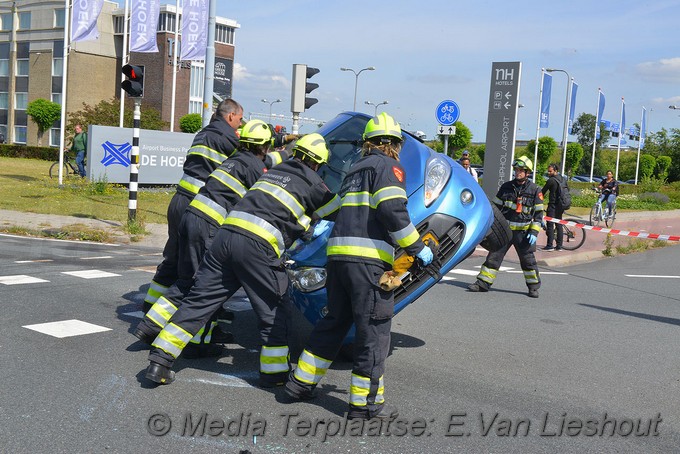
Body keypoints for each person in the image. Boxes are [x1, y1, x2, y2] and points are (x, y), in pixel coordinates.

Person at [144, 133, 341, 387]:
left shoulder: (273, 172)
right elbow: (337, 213)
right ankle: (275, 373)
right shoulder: (316, 184)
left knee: (199, 301)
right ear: (317, 164)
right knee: (274, 308)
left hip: (224, 239)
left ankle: (159, 361)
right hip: (257, 248)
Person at [285, 113, 434, 420]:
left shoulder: (355, 171)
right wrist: (417, 249)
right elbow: (393, 211)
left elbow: (334, 210)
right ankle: (364, 405)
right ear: (394, 144)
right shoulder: (389, 167)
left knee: (335, 322)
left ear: (367, 143)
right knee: (373, 332)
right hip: (367, 264)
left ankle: (299, 384)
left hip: (338, 261)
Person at [134, 119, 276, 357]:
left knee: (188, 279)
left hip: (192, 216)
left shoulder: (232, 161)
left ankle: (151, 325)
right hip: (209, 225)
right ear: (264, 147)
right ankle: (198, 342)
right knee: (205, 284)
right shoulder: (254, 168)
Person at [142, 99, 243, 313]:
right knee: (199, 266)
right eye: (240, 119)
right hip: (199, 205)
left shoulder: (203, 133)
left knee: (174, 255)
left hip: (179, 200)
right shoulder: (226, 138)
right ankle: (193, 315)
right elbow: (245, 163)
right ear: (231, 115)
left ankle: (151, 303)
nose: (240, 124)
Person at [467, 156, 543, 298]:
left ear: (528, 173)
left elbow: (539, 215)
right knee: (493, 257)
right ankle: (483, 283)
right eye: (516, 170)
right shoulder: (506, 187)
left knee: (528, 261)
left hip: (523, 234)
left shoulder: (535, 190)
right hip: (505, 231)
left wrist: (533, 232)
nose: (517, 172)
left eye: (521, 170)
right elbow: (495, 208)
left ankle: (533, 287)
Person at [541, 163, 564, 251]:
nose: (549, 173)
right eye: (548, 171)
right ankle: (559, 246)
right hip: (561, 205)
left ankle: (549, 245)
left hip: (553, 205)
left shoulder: (551, 180)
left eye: (550, 171)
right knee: (559, 224)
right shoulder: (562, 179)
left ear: (555, 171)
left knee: (550, 224)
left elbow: (543, 191)